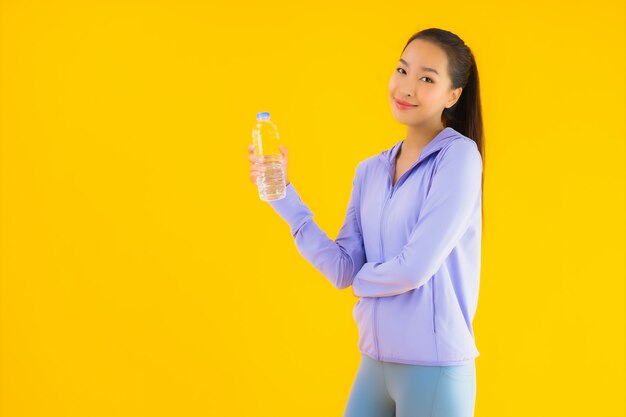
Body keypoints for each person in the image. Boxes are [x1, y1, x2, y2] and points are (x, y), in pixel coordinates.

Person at [247, 27, 484, 417]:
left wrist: (362, 282)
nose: (407, 87)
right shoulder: (370, 171)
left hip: (434, 369)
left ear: (452, 95)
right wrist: (282, 194)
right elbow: (343, 268)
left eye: (427, 78)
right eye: (402, 70)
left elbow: (414, 268)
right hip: (374, 363)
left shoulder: (458, 159)